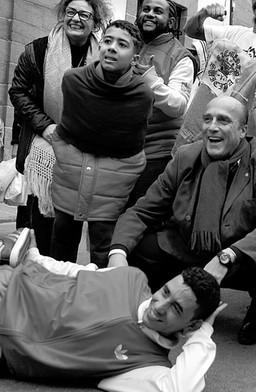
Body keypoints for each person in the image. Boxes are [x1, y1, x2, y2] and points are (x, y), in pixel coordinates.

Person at [0, 229, 223, 392]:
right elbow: (76, 272)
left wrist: (203, 333)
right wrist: (35, 259)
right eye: (165, 291)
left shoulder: (145, 366)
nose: (159, 305)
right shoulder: (133, 279)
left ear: (190, 326)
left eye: (176, 309)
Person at [108, 95, 256, 346]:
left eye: (223, 120)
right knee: (139, 246)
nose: (212, 127)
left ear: (241, 130)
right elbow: (142, 212)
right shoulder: (186, 156)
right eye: (207, 119)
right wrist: (118, 254)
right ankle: (153, 306)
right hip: (186, 248)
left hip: (236, 259)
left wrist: (228, 256)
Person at [9, 0, 112, 256]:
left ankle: (58, 282)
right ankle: (28, 283)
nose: (76, 19)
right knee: (36, 228)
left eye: (84, 15)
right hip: (43, 148)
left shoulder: (103, 58)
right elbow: (18, 91)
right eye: (71, 12)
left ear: (95, 22)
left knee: (67, 233)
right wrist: (45, 126)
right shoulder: (38, 49)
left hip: (81, 155)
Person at [49, 20, 153, 268]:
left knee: (103, 250)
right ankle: (55, 298)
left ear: (134, 56)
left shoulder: (143, 95)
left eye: (122, 44)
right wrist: (67, 156)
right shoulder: (72, 81)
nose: (112, 48)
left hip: (113, 182)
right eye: (107, 41)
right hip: (70, 175)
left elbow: (134, 148)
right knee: (61, 245)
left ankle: (101, 302)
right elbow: (66, 129)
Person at [183, 0, 256, 135]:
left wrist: (228, 53)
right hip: (211, 126)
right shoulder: (235, 32)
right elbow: (190, 30)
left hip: (246, 133)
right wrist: (204, 14)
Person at [125, 0, 196, 207]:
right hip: (121, 149)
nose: (149, 14)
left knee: (137, 220)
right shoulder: (129, 42)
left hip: (155, 155)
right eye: (146, 9)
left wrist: (150, 78)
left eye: (158, 11)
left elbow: (178, 105)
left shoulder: (181, 56)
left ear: (171, 20)